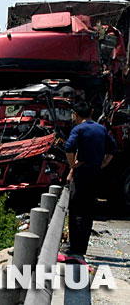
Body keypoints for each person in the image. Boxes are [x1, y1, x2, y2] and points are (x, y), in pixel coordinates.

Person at [64, 102, 116, 255]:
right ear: (91, 112)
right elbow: (112, 147)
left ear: (76, 115)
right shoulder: (101, 129)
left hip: (82, 173)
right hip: (96, 173)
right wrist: (103, 163)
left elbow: (69, 147)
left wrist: (72, 164)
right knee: (88, 211)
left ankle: (75, 247)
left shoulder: (78, 129)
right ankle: (83, 248)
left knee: (76, 210)